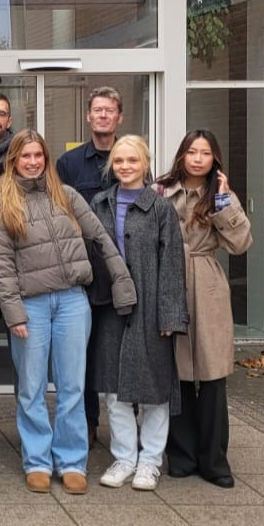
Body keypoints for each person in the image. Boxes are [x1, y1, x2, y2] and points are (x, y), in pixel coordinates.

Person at [0, 130, 136, 495]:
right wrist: (13, 313)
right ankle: (37, 460)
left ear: (46, 159)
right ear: (14, 161)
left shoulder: (66, 196)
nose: (33, 162)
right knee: (31, 387)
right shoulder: (0, 205)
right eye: (25, 156)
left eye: (38, 155)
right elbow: (0, 267)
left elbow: (102, 240)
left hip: (72, 301)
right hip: (31, 304)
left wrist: (123, 283)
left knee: (72, 386)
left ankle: (71, 461)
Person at [89, 135, 188, 492]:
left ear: (145, 164)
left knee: (154, 389)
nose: (125, 167)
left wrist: (170, 316)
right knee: (114, 390)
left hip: (150, 308)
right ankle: (124, 458)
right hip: (110, 308)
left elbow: (172, 263)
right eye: (119, 161)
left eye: (132, 160)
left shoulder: (160, 208)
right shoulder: (99, 203)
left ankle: (150, 462)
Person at [156, 129, 253, 488]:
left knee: (212, 375)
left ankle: (214, 460)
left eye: (205, 153)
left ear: (215, 159)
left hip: (207, 283)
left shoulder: (222, 196)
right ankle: (181, 455)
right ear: (182, 155)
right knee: (178, 372)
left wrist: (224, 203)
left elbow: (240, 244)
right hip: (170, 280)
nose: (198, 159)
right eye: (192, 152)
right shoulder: (161, 191)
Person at [57, 86, 125, 444]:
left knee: (117, 349)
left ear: (119, 117)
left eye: (109, 110)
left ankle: (125, 426)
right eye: (97, 110)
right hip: (84, 272)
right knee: (80, 351)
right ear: (88, 116)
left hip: (123, 271)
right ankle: (87, 421)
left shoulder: (129, 157)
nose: (102, 116)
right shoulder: (69, 164)